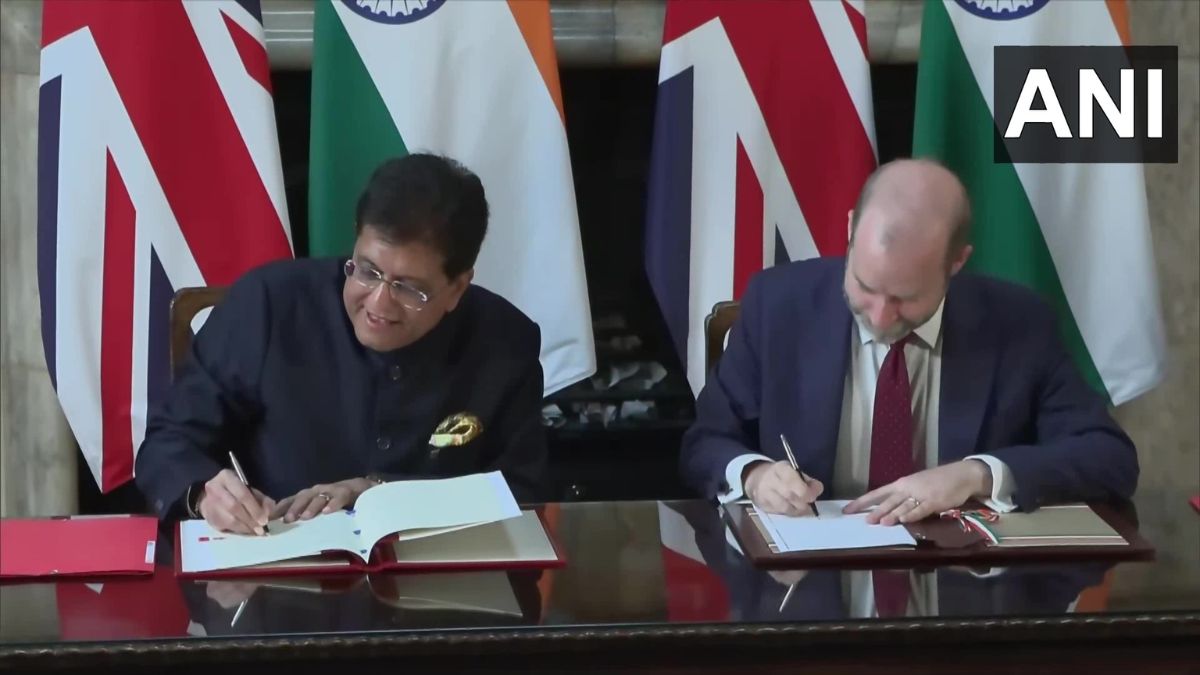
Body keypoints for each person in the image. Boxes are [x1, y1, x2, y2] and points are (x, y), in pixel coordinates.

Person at [680, 158, 1138, 525]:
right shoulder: (778, 306)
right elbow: (705, 442)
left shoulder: (1018, 323)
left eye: (905, 298)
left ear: (956, 262)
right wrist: (755, 475)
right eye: (866, 286)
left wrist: (976, 474)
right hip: (810, 584)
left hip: (963, 587)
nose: (880, 316)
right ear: (851, 229)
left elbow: (1109, 457)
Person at [135, 153, 547, 534]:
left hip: (442, 573)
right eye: (367, 271)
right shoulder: (270, 305)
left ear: (457, 287)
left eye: (409, 288)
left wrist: (381, 491)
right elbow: (169, 440)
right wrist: (203, 493)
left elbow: (523, 490)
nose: (378, 304)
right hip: (278, 565)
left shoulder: (505, 342)